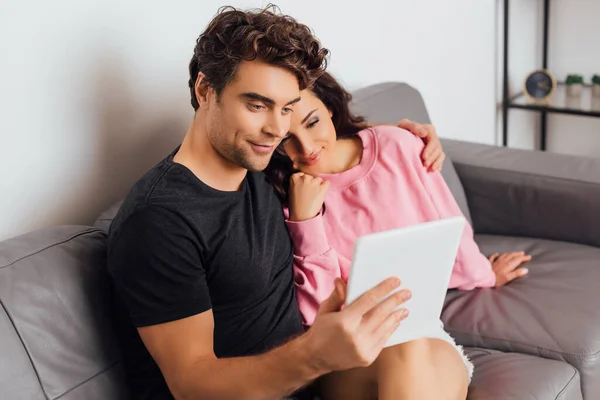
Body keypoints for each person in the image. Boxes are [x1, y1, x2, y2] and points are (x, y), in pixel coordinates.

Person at [106, 5, 449, 400]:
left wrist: (408, 139)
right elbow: (191, 383)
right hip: (261, 385)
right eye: (257, 105)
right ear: (204, 90)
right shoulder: (159, 220)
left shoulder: (262, 163)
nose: (276, 129)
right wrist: (315, 355)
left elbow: (336, 144)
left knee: (413, 347)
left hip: (308, 379)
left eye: (286, 108)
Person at [263, 71, 533, 399]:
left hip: (423, 336)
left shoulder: (397, 144)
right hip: (347, 354)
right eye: (286, 139)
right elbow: (316, 312)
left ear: (330, 107)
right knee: (407, 345)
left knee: (410, 345)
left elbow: (446, 219)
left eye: (312, 122)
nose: (305, 148)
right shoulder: (291, 196)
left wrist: (484, 273)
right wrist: (306, 223)